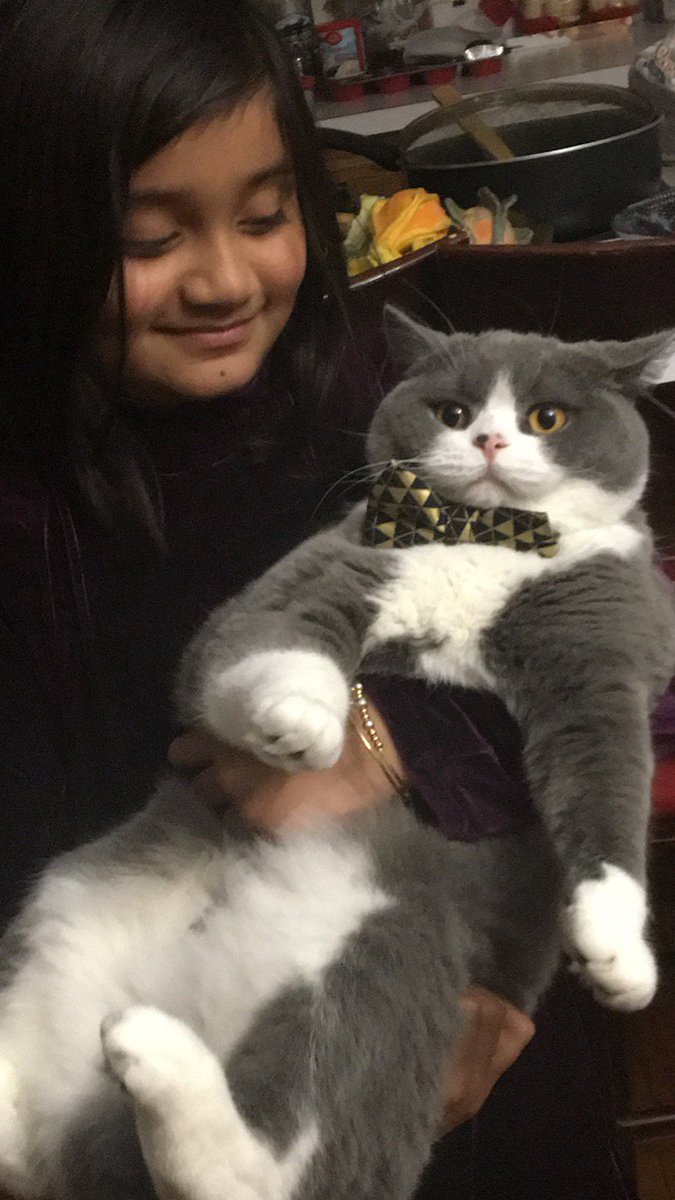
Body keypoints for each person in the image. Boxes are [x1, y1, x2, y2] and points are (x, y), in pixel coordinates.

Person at [0, 0, 663, 1196]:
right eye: (151, 238)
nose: (225, 278)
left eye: (266, 217)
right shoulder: (34, 517)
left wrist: (404, 744)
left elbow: (621, 670)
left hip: (461, 1033)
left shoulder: (399, 417)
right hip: (147, 1055)